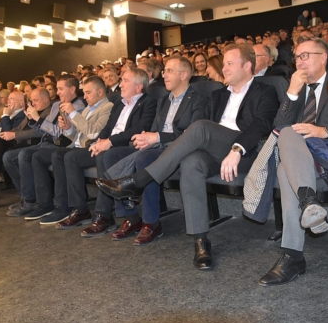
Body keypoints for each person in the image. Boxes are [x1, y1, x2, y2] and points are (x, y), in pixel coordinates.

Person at [96, 43, 279, 270]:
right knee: (192, 163)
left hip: (244, 153)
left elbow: (261, 125)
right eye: (224, 64)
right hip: (213, 153)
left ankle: (139, 180)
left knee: (201, 126)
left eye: (230, 63)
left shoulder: (265, 91)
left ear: (248, 65)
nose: (225, 68)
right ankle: (201, 240)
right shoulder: (219, 94)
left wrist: (236, 149)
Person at [258, 36, 328, 286]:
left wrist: (324, 131)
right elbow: (277, 128)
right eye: (296, 57)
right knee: (287, 135)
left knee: (284, 167)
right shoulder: (297, 90)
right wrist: (291, 93)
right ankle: (308, 206)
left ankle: (293, 255)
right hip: (300, 160)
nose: (299, 62)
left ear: (323, 58)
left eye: (305, 56)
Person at [92, 56, 210, 243]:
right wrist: (146, 139)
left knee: (144, 158)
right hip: (157, 147)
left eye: (170, 70)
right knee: (111, 154)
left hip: (179, 150)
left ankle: (151, 223)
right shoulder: (163, 100)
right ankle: (131, 217)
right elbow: (154, 130)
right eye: (164, 71)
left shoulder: (199, 99)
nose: (164, 75)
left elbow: (193, 136)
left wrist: (156, 138)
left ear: (184, 74)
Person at [54, 68, 156, 232]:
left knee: (105, 156)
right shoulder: (119, 104)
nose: (120, 85)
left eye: (125, 81)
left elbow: (140, 128)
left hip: (127, 146)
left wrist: (109, 142)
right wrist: (97, 141)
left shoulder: (148, 102)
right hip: (109, 145)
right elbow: (108, 128)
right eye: (121, 81)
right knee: (71, 157)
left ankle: (105, 215)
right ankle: (80, 210)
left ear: (139, 87)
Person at [28, 76, 113, 224]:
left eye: (88, 93)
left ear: (100, 92)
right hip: (77, 147)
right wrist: (67, 128)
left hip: (94, 148)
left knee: (69, 157)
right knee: (57, 154)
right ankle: (62, 205)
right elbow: (77, 135)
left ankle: (79, 209)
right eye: (84, 93)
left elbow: (94, 133)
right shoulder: (88, 108)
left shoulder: (107, 107)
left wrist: (73, 114)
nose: (84, 96)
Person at [1, 75, 85, 218]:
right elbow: (43, 130)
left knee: (28, 155)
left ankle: (34, 201)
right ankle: (27, 197)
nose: (57, 92)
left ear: (72, 89)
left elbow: (59, 134)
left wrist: (38, 119)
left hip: (60, 145)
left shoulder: (79, 107)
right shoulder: (56, 105)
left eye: (60, 89)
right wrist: (32, 120)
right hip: (45, 142)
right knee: (8, 156)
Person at [0, 88, 53, 211]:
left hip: (33, 143)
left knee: (7, 149)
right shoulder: (32, 111)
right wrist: (5, 134)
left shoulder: (49, 111)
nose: (32, 103)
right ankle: (24, 197)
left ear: (45, 99)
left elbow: (40, 131)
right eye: (31, 100)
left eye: (35, 100)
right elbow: (18, 128)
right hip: (21, 142)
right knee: (5, 154)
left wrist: (11, 132)